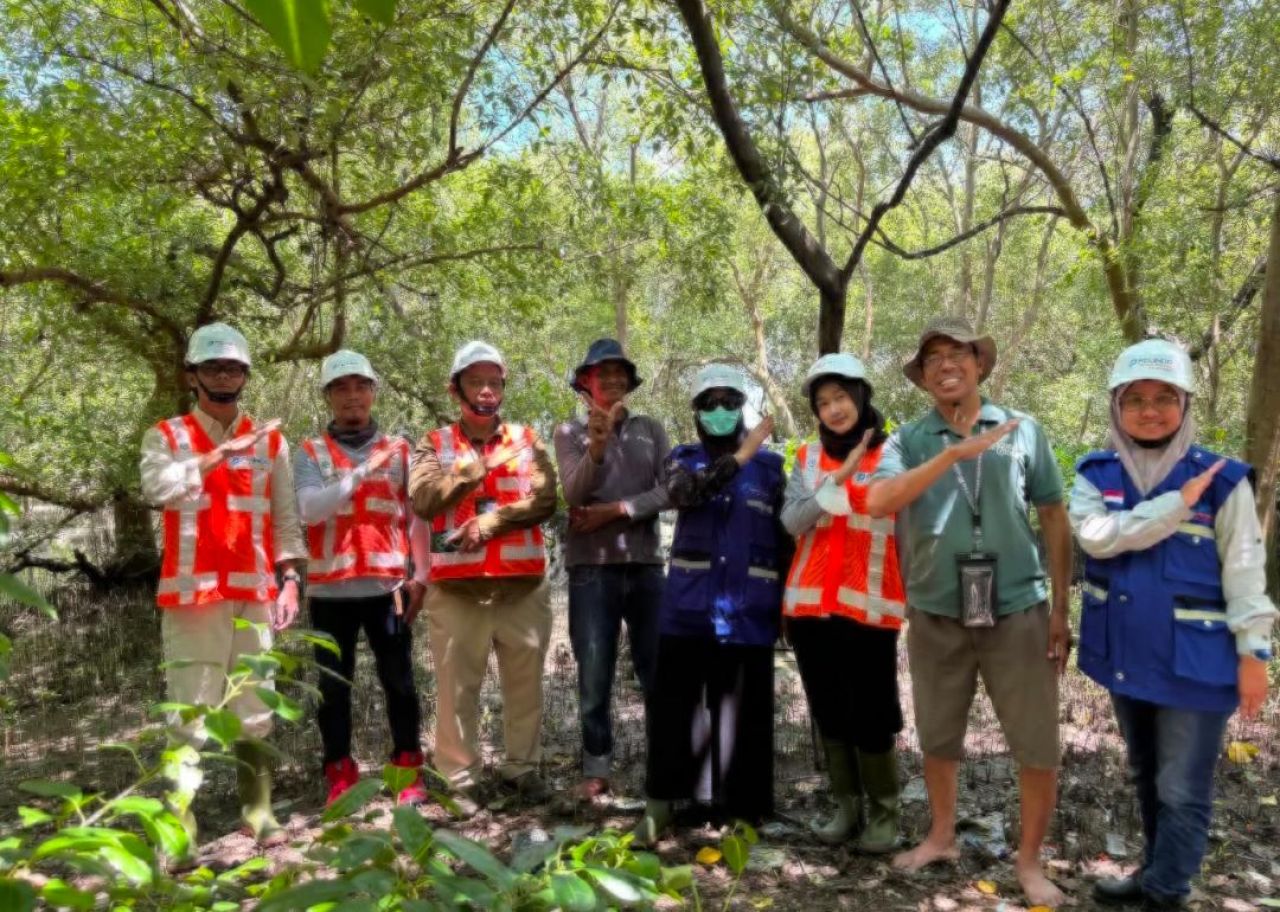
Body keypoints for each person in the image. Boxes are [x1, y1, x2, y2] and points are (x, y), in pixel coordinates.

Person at [866, 316, 1073, 908]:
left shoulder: (1022, 430)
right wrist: (954, 454)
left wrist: (1061, 609)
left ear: (980, 364)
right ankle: (940, 837)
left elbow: (1053, 516)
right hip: (936, 611)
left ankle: (1029, 861)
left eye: (958, 353)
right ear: (922, 376)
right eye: (932, 358)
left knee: (1036, 743)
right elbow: (879, 500)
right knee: (938, 734)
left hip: (1018, 609)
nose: (946, 364)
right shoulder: (908, 440)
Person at [1069, 339, 1277, 909]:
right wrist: (1174, 506)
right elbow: (1095, 539)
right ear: (1116, 406)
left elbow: (1245, 572)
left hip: (1197, 663)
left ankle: (1166, 892)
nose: (1150, 410)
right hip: (1126, 654)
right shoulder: (1096, 474)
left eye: (1165, 397)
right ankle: (1156, 870)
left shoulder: (1223, 480)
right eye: (1135, 399)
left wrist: (1254, 654)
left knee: (1182, 787)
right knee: (1145, 773)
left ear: (1185, 404)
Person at [139, 322, 304, 851]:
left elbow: (285, 517)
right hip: (193, 597)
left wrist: (291, 579)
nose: (225, 377)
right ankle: (179, 830)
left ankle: (258, 812)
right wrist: (219, 454)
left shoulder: (271, 441)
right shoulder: (167, 436)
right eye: (214, 367)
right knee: (189, 711)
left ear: (246, 376)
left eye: (234, 368)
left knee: (255, 705)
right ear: (193, 375)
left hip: (254, 593)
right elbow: (157, 488)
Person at [632, 364, 788, 846]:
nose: (719, 411)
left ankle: (742, 810)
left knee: (745, 711)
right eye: (709, 403)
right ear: (696, 411)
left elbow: (784, 538)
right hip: (688, 608)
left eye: (729, 402)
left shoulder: (772, 468)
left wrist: (785, 605)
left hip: (749, 608)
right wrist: (742, 455)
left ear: (742, 406)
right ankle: (661, 805)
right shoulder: (681, 460)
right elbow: (685, 494)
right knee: (673, 708)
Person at [408, 340, 558, 815]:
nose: (487, 390)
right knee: (456, 688)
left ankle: (522, 768)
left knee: (525, 684)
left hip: (522, 586)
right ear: (456, 390)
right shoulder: (433, 443)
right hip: (458, 589)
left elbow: (545, 499)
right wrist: (476, 470)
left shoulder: (526, 438)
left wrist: (490, 523)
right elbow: (424, 500)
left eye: (494, 382)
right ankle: (459, 779)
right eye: (476, 382)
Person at [295, 350, 432, 806]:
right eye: (341, 388)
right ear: (328, 397)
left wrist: (421, 575)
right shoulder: (310, 452)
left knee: (400, 683)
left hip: (388, 589)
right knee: (333, 688)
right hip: (330, 594)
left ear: (373, 392)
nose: (352, 396)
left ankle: (407, 768)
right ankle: (339, 772)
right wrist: (361, 472)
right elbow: (310, 510)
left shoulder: (401, 451)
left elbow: (417, 517)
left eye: (360, 386)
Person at [781, 353, 906, 852]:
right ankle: (847, 808)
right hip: (811, 607)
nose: (833, 409)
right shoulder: (808, 458)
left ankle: (884, 814)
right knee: (829, 708)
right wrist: (838, 477)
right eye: (823, 403)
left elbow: (902, 515)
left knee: (873, 711)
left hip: (870, 603)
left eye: (841, 398)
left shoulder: (894, 451)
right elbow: (792, 521)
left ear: (860, 396)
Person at [554, 338, 670, 801]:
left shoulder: (651, 429)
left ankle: (664, 768)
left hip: (645, 567)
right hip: (591, 569)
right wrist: (597, 446)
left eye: (620, 371)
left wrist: (617, 510)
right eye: (603, 373)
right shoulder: (569, 432)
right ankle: (597, 768)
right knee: (594, 672)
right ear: (586, 381)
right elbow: (574, 494)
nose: (613, 379)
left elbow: (670, 490)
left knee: (657, 670)